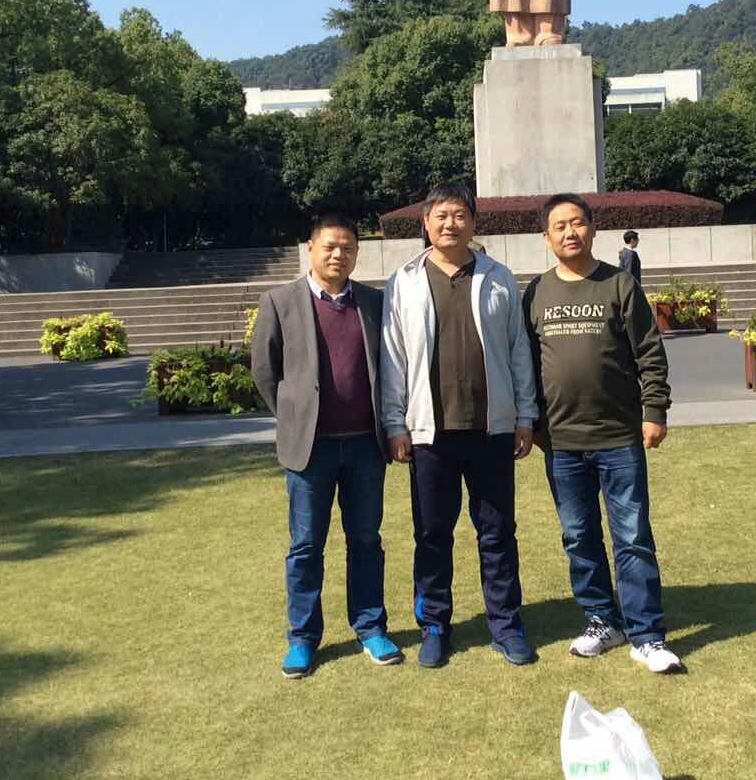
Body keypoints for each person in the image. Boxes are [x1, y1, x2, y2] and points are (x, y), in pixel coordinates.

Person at [380, 184, 540, 669]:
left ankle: (506, 625)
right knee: (432, 534)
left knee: (497, 533)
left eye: (460, 215)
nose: (451, 223)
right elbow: (393, 357)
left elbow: (518, 350)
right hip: (430, 433)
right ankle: (434, 625)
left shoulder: (498, 277)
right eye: (442, 215)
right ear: (426, 222)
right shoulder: (404, 281)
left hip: (491, 429)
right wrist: (395, 422)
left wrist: (525, 415)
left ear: (473, 222)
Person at [524, 194, 683, 673]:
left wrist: (654, 410)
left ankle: (646, 635)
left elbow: (649, 352)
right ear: (546, 237)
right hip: (561, 443)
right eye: (559, 226)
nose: (569, 232)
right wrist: (531, 423)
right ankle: (601, 620)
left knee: (632, 537)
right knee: (579, 537)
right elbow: (525, 365)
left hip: (619, 437)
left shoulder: (619, 284)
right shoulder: (536, 292)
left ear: (592, 229)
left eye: (577, 223)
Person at [251, 214, 403, 679]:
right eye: (330, 246)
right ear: (311, 249)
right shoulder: (280, 302)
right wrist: (295, 416)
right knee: (305, 545)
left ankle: (370, 627)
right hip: (310, 450)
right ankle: (302, 637)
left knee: (366, 540)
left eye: (348, 247)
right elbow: (264, 370)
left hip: (364, 447)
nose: (339, 255)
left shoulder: (373, 302)